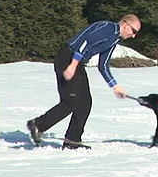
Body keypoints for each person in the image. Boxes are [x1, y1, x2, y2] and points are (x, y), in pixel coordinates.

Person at [26, 14, 141, 150]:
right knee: (71, 101)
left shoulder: (114, 39)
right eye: (134, 31)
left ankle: (72, 140)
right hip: (68, 58)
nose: (133, 36)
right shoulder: (108, 28)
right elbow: (84, 43)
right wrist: (73, 65)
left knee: (85, 102)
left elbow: (103, 65)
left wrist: (114, 86)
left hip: (77, 62)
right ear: (125, 24)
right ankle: (38, 124)